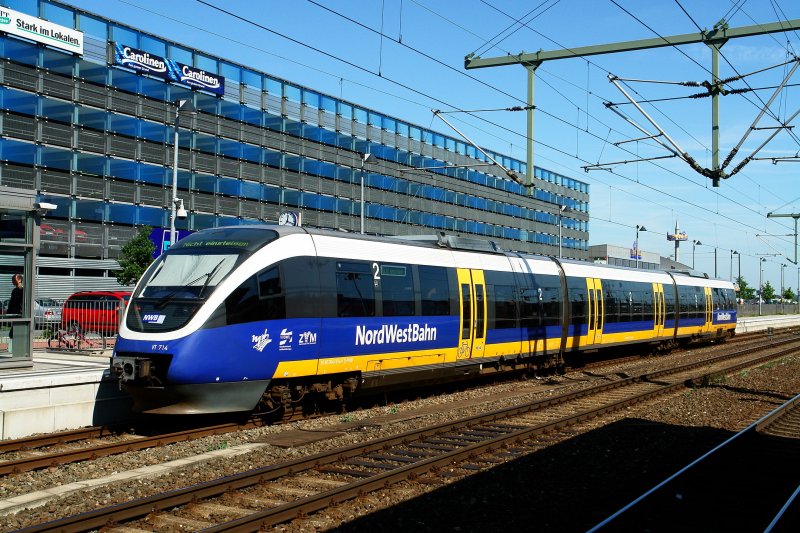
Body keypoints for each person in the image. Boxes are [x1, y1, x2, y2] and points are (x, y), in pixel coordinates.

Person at [7, 274, 23, 353]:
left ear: (19, 280)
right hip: (16, 314)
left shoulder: (23, 290)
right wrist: (9, 313)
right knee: (14, 331)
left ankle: (16, 349)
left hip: (21, 314)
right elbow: (12, 302)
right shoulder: (15, 291)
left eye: (14, 279)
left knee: (15, 332)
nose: (12, 281)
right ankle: (14, 349)